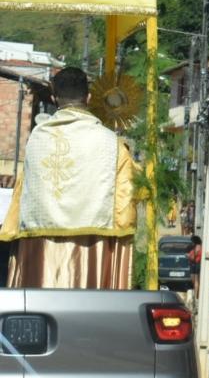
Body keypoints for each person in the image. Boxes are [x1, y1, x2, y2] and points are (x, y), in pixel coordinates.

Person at [0, 67, 138, 289]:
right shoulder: (111, 143)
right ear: (89, 97)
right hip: (93, 249)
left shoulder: (36, 139)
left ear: (54, 99)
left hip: (40, 250)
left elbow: (22, 193)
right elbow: (129, 198)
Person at [188, 236, 203, 302]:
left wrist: (189, 256)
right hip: (194, 264)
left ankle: (196, 296)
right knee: (194, 280)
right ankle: (196, 293)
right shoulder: (196, 247)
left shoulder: (198, 247)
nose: (191, 243)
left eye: (192, 241)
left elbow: (193, 257)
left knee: (196, 280)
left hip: (196, 264)